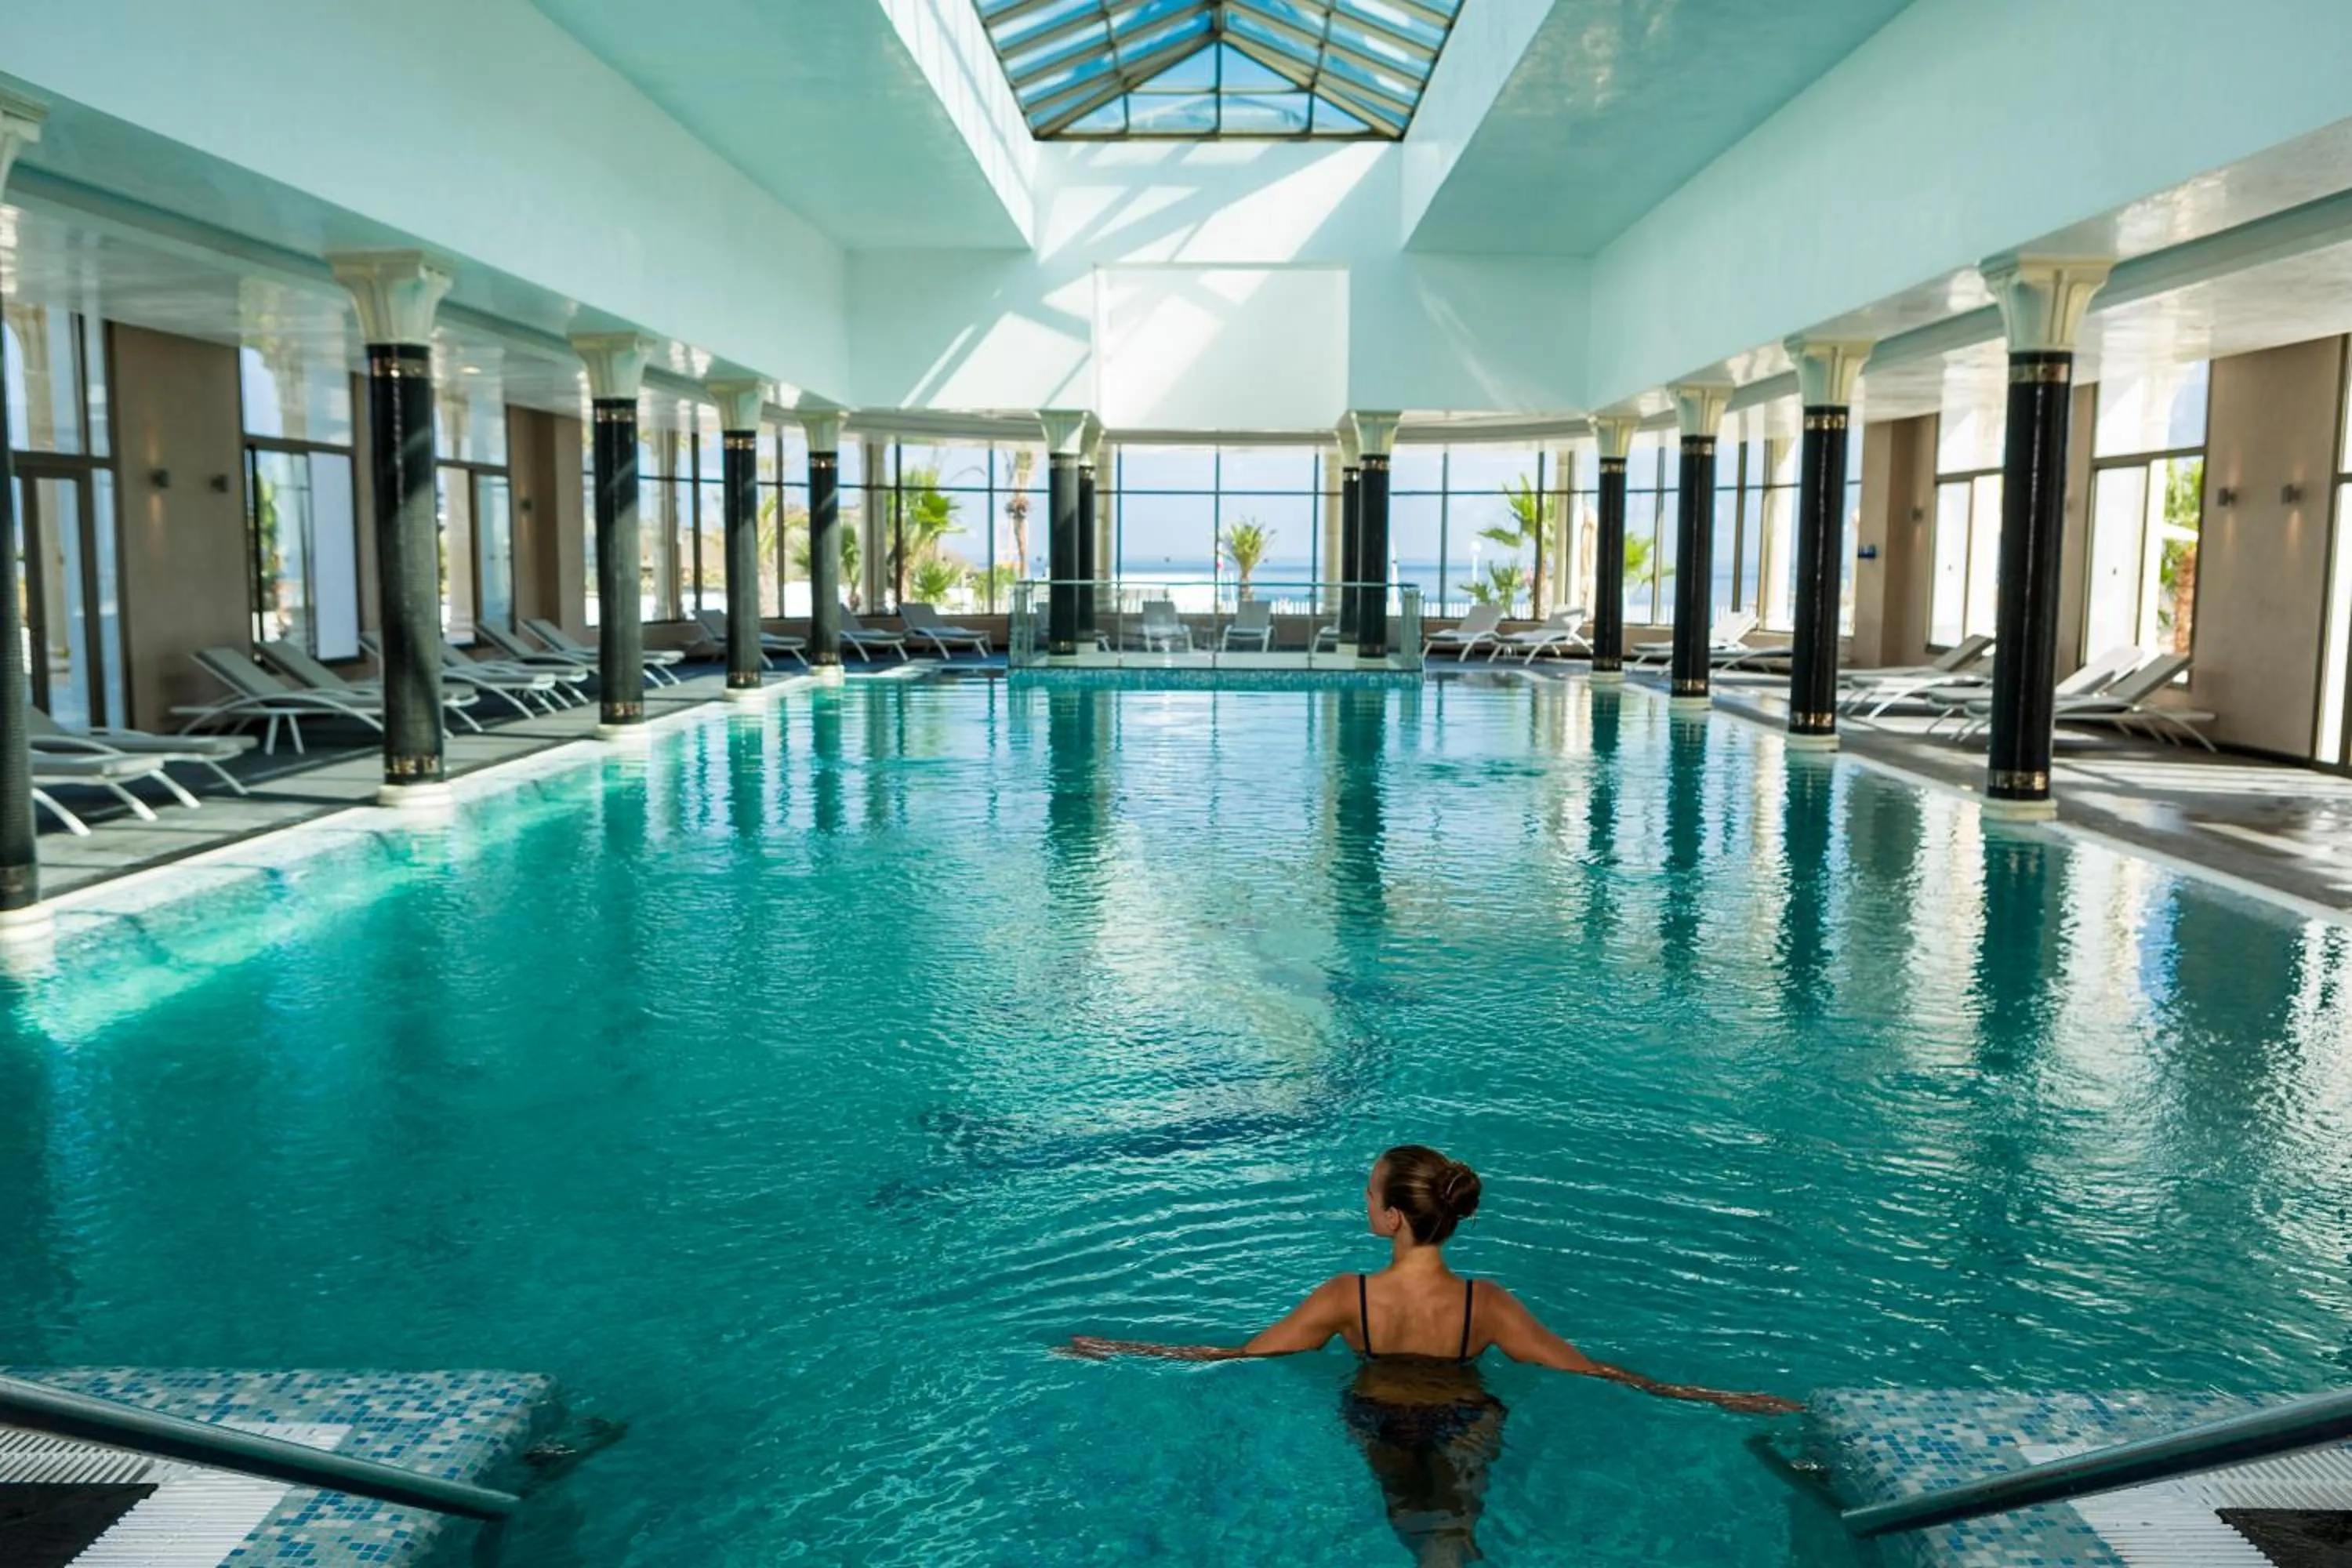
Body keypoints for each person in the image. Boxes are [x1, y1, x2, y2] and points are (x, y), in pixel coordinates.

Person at [1065, 1145, 1800, 1565]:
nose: (1365, 1201)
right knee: (1456, 1530)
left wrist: (1126, 1348)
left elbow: (1240, 1356)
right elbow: (1595, 1372)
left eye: (1368, 1192)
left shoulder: (1345, 1298)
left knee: (1413, 1521)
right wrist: (1719, 1397)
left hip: (1378, 1413)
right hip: (1466, 1415)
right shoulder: (1487, 1305)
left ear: (1390, 1217)